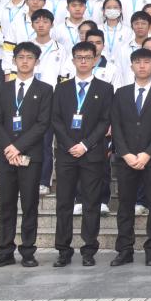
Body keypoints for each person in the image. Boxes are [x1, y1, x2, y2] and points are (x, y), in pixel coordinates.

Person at [0, 42, 52, 269]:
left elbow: (42, 124)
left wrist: (18, 147)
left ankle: (28, 251)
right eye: (21, 57)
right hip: (6, 157)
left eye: (29, 57)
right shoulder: (4, 89)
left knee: (29, 204)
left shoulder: (45, 90)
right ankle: (5, 251)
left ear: (37, 61)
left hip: (31, 156)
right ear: (14, 61)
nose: (25, 61)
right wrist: (9, 148)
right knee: (6, 204)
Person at [50, 42, 113, 268]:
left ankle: (89, 249)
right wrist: (70, 145)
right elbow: (56, 119)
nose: (84, 61)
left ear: (95, 60)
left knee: (91, 203)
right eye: (79, 57)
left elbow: (105, 121)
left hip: (92, 154)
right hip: (66, 154)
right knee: (64, 203)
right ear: (73, 60)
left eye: (88, 57)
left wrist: (85, 145)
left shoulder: (105, 89)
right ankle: (63, 250)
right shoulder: (62, 88)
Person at [109, 48, 151, 267]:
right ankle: (124, 249)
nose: (142, 66)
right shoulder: (121, 93)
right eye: (138, 62)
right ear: (131, 66)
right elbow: (116, 125)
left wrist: (147, 154)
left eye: (147, 62)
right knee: (125, 205)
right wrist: (125, 153)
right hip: (126, 159)